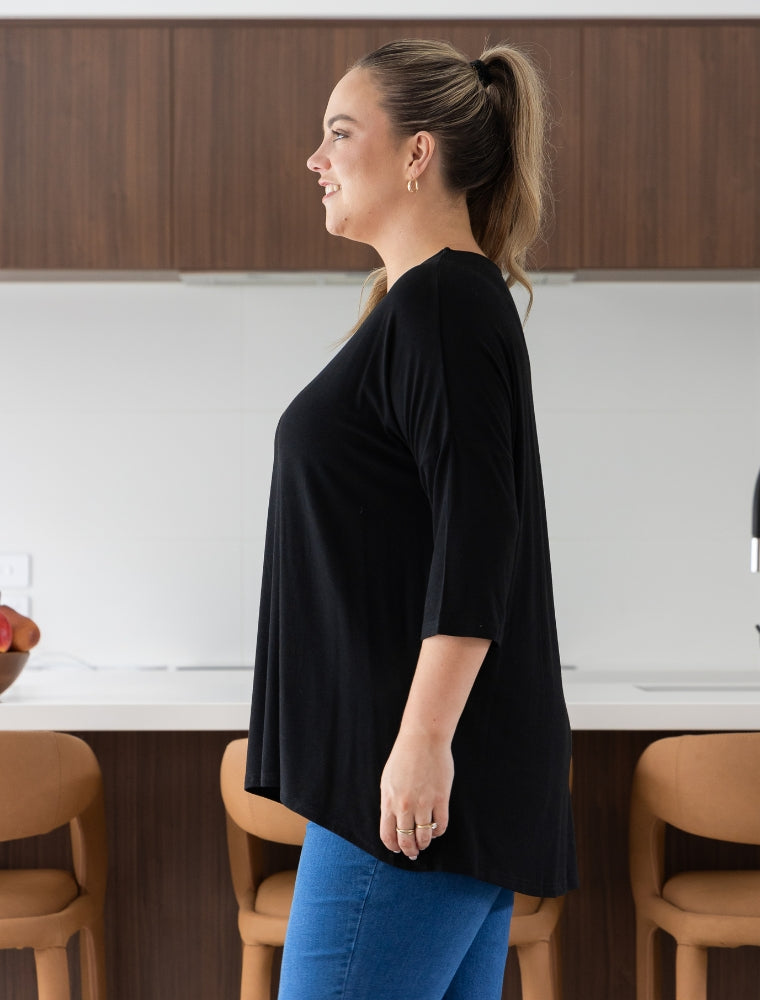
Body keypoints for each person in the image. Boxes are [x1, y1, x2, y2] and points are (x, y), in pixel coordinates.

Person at [245, 38, 577, 1000]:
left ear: (417, 153)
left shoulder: (442, 307)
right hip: (405, 780)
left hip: (406, 796)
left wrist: (423, 746)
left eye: (340, 133)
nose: (316, 157)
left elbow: (481, 540)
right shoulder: (431, 305)